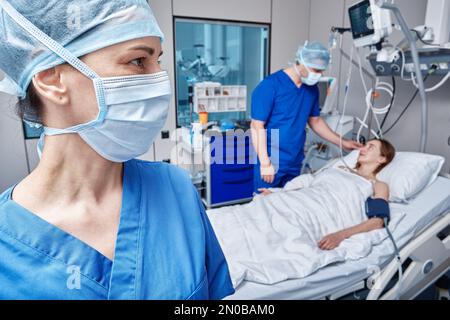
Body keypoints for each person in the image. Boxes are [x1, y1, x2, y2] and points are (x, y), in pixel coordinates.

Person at [0, 0, 234, 300]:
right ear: (51, 79)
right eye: (138, 61)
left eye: (158, 61)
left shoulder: (175, 189)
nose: (160, 81)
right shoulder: (7, 250)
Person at [251, 41, 362, 193]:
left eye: (321, 71)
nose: (319, 75)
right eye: (315, 70)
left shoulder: (311, 89)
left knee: (290, 205)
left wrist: (343, 142)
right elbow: (257, 125)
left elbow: (315, 121)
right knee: (265, 205)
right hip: (272, 157)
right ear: (301, 62)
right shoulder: (270, 85)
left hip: (294, 157)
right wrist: (265, 163)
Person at [259, 139, 396, 250]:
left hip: (320, 214)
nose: (362, 149)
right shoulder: (339, 168)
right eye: (364, 145)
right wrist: (279, 193)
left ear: (382, 159)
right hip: (298, 201)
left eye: (370, 147)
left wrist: (340, 235)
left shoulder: (377, 185)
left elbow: (378, 221)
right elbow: (311, 184)